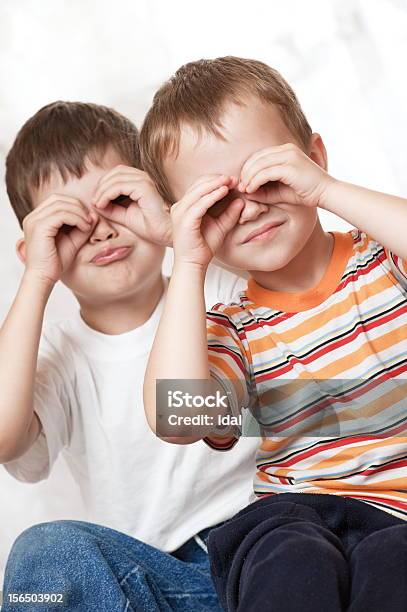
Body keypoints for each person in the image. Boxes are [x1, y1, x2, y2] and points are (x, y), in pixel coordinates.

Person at [142, 56, 407, 611]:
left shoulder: (386, 262)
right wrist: (189, 262)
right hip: (298, 514)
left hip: (400, 520)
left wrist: (328, 190)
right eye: (217, 201)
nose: (250, 206)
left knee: (393, 564)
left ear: (313, 158)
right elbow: (179, 418)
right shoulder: (235, 331)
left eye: (269, 175)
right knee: (279, 549)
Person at [0, 101, 258, 611]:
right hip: (149, 585)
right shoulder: (57, 355)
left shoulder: (224, 286)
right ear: (34, 248)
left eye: (117, 201)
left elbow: (280, 402)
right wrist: (36, 280)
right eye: (66, 227)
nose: (99, 230)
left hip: (267, 550)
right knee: (41, 564)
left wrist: (176, 236)